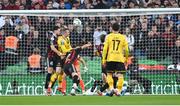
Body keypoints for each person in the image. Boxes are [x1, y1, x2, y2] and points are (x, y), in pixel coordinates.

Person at [101, 22, 129, 96]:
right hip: (119, 59)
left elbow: (105, 49)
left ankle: (111, 88)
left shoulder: (108, 37)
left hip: (110, 58)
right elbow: (126, 50)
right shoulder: (123, 37)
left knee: (109, 74)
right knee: (120, 76)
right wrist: (126, 58)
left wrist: (104, 60)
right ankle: (118, 90)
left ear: (112, 28)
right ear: (119, 29)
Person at [50, 27, 72, 95]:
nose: (69, 33)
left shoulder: (68, 38)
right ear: (65, 33)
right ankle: (49, 87)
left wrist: (72, 49)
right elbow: (64, 49)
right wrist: (72, 50)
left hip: (65, 57)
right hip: (60, 57)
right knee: (57, 72)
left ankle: (60, 87)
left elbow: (69, 47)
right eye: (68, 32)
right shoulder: (60, 39)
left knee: (62, 73)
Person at [44, 26, 63, 95]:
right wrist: (59, 53)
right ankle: (46, 89)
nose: (59, 32)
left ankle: (50, 88)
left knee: (58, 72)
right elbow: (52, 47)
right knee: (50, 71)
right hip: (50, 57)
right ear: (55, 31)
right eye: (59, 30)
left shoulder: (59, 38)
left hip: (57, 58)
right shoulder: (51, 37)